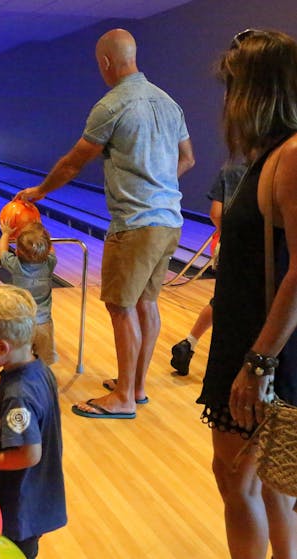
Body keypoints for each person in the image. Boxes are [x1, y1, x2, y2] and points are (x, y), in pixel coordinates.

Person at [15, 28, 195, 418]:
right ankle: (137, 385)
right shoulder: (169, 102)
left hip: (135, 223)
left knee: (120, 306)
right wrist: (160, 187)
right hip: (170, 220)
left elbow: (73, 162)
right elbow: (188, 159)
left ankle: (124, 397)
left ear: (106, 63)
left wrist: (40, 192)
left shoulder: (112, 105)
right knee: (146, 303)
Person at [198, 29, 297, 559]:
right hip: (253, 344)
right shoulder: (272, 156)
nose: (227, 103)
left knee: (238, 482)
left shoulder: (291, 156)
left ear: (258, 92)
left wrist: (258, 363)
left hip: (263, 353)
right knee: (272, 483)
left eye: (233, 88)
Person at [0, 284, 66, 558]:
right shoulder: (38, 368)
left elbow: (30, 454)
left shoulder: (18, 394)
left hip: (21, 502)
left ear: (2, 347)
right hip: (34, 494)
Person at [169, 162, 247, 376]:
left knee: (223, 298)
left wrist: (228, 233)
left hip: (226, 243)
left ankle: (190, 343)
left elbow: (216, 212)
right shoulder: (280, 163)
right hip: (265, 251)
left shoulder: (231, 167)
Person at [0, 220, 58, 365]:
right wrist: (42, 234)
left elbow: (2, 251)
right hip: (43, 324)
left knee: (19, 359)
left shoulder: (15, 265)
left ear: (17, 252)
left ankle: (22, 381)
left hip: (21, 323)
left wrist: (6, 234)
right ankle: (42, 380)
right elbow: (51, 250)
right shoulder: (49, 263)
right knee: (44, 361)